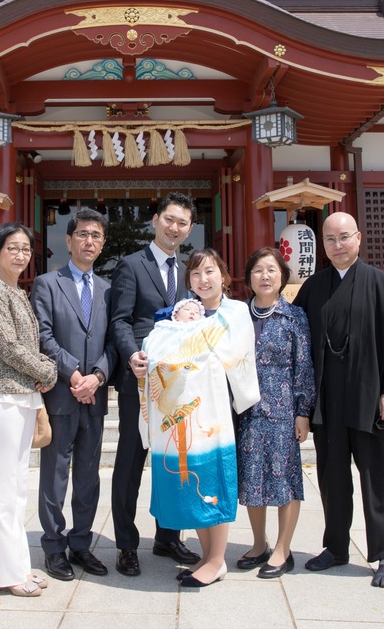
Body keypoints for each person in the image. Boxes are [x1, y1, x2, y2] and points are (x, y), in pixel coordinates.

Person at [292, 212, 384, 588]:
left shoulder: (381, 284)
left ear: (358, 239)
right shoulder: (314, 286)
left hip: (369, 397)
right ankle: (336, 547)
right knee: (332, 479)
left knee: (378, 478)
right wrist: (302, 405)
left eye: (344, 237)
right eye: (330, 239)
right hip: (327, 399)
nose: (338, 245)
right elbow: (299, 344)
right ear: (323, 245)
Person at [139, 248, 259, 588]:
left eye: (209, 272)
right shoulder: (179, 316)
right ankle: (207, 556)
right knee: (193, 481)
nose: (203, 279)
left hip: (218, 412)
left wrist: (193, 350)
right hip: (184, 416)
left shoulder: (234, 312)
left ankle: (218, 559)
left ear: (223, 275)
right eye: (195, 274)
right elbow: (160, 351)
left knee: (213, 479)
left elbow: (234, 355)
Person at [107, 192, 201, 576]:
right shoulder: (131, 265)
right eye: (169, 219)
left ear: (189, 228)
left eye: (182, 223)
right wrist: (132, 355)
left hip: (176, 386)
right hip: (140, 384)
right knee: (130, 463)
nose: (174, 228)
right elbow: (120, 320)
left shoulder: (189, 273)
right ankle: (127, 545)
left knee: (174, 463)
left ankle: (168, 537)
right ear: (155, 220)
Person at [0, 222, 58, 598]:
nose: (21, 254)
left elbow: (25, 343)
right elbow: (7, 345)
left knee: (17, 485)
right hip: (2, 397)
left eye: (26, 249)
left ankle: (19, 565)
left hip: (21, 394)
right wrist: (47, 370)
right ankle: (7, 575)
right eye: (13, 248)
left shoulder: (17, 292)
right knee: (5, 487)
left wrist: (38, 375)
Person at [31, 208, 115, 581]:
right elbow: (43, 337)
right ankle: (53, 545)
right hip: (63, 396)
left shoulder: (109, 289)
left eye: (96, 236)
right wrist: (75, 375)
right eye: (83, 234)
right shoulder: (47, 284)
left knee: (87, 476)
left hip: (93, 398)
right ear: (68, 240)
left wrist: (97, 376)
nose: (89, 241)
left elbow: (115, 341)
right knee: (55, 475)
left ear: (102, 243)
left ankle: (80, 544)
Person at [235, 247, 316, 579]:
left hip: (283, 411)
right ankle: (259, 544)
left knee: (285, 480)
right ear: (249, 277)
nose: (264, 276)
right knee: (252, 479)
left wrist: (303, 411)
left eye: (271, 270)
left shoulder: (294, 316)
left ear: (282, 276)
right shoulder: (239, 314)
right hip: (246, 411)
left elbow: (304, 367)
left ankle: (283, 549)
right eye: (258, 270)